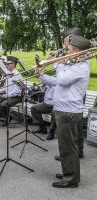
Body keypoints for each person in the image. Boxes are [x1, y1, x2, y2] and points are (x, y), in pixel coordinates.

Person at [40, 35, 90, 188]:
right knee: (66, 146)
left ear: (76, 50)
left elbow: (62, 80)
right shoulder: (74, 64)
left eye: (68, 49)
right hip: (64, 108)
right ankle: (69, 172)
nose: (66, 52)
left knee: (68, 147)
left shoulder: (80, 66)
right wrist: (42, 76)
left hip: (69, 111)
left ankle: (71, 179)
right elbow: (57, 82)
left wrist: (59, 64)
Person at [54, 27, 85, 160]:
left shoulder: (81, 60)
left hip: (71, 103)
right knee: (68, 142)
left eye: (66, 41)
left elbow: (63, 79)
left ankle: (74, 160)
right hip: (65, 102)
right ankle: (69, 163)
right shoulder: (74, 57)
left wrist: (60, 64)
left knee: (72, 139)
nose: (65, 44)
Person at [0, 56, 23, 126]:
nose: (6, 65)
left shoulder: (17, 75)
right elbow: (6, 87)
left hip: (17, 97)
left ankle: (8, 118)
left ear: (13, 64)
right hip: (11, 95)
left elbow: (17, 91)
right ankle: (2, 116)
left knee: (3, 104)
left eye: (8, 64)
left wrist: (7, 95)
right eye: (6, 64)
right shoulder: (9, 74)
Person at [31, 66, 56, 138]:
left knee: (55, 113)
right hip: (46, 103)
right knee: (34, 108)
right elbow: (43, 91)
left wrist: (45, 80)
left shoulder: (60, 80)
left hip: (55, 104)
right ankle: (42, 127)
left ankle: (52, 131)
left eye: (55, 70)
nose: (54, 71)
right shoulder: (50, 78)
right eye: (54, 70)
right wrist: (43, 85)